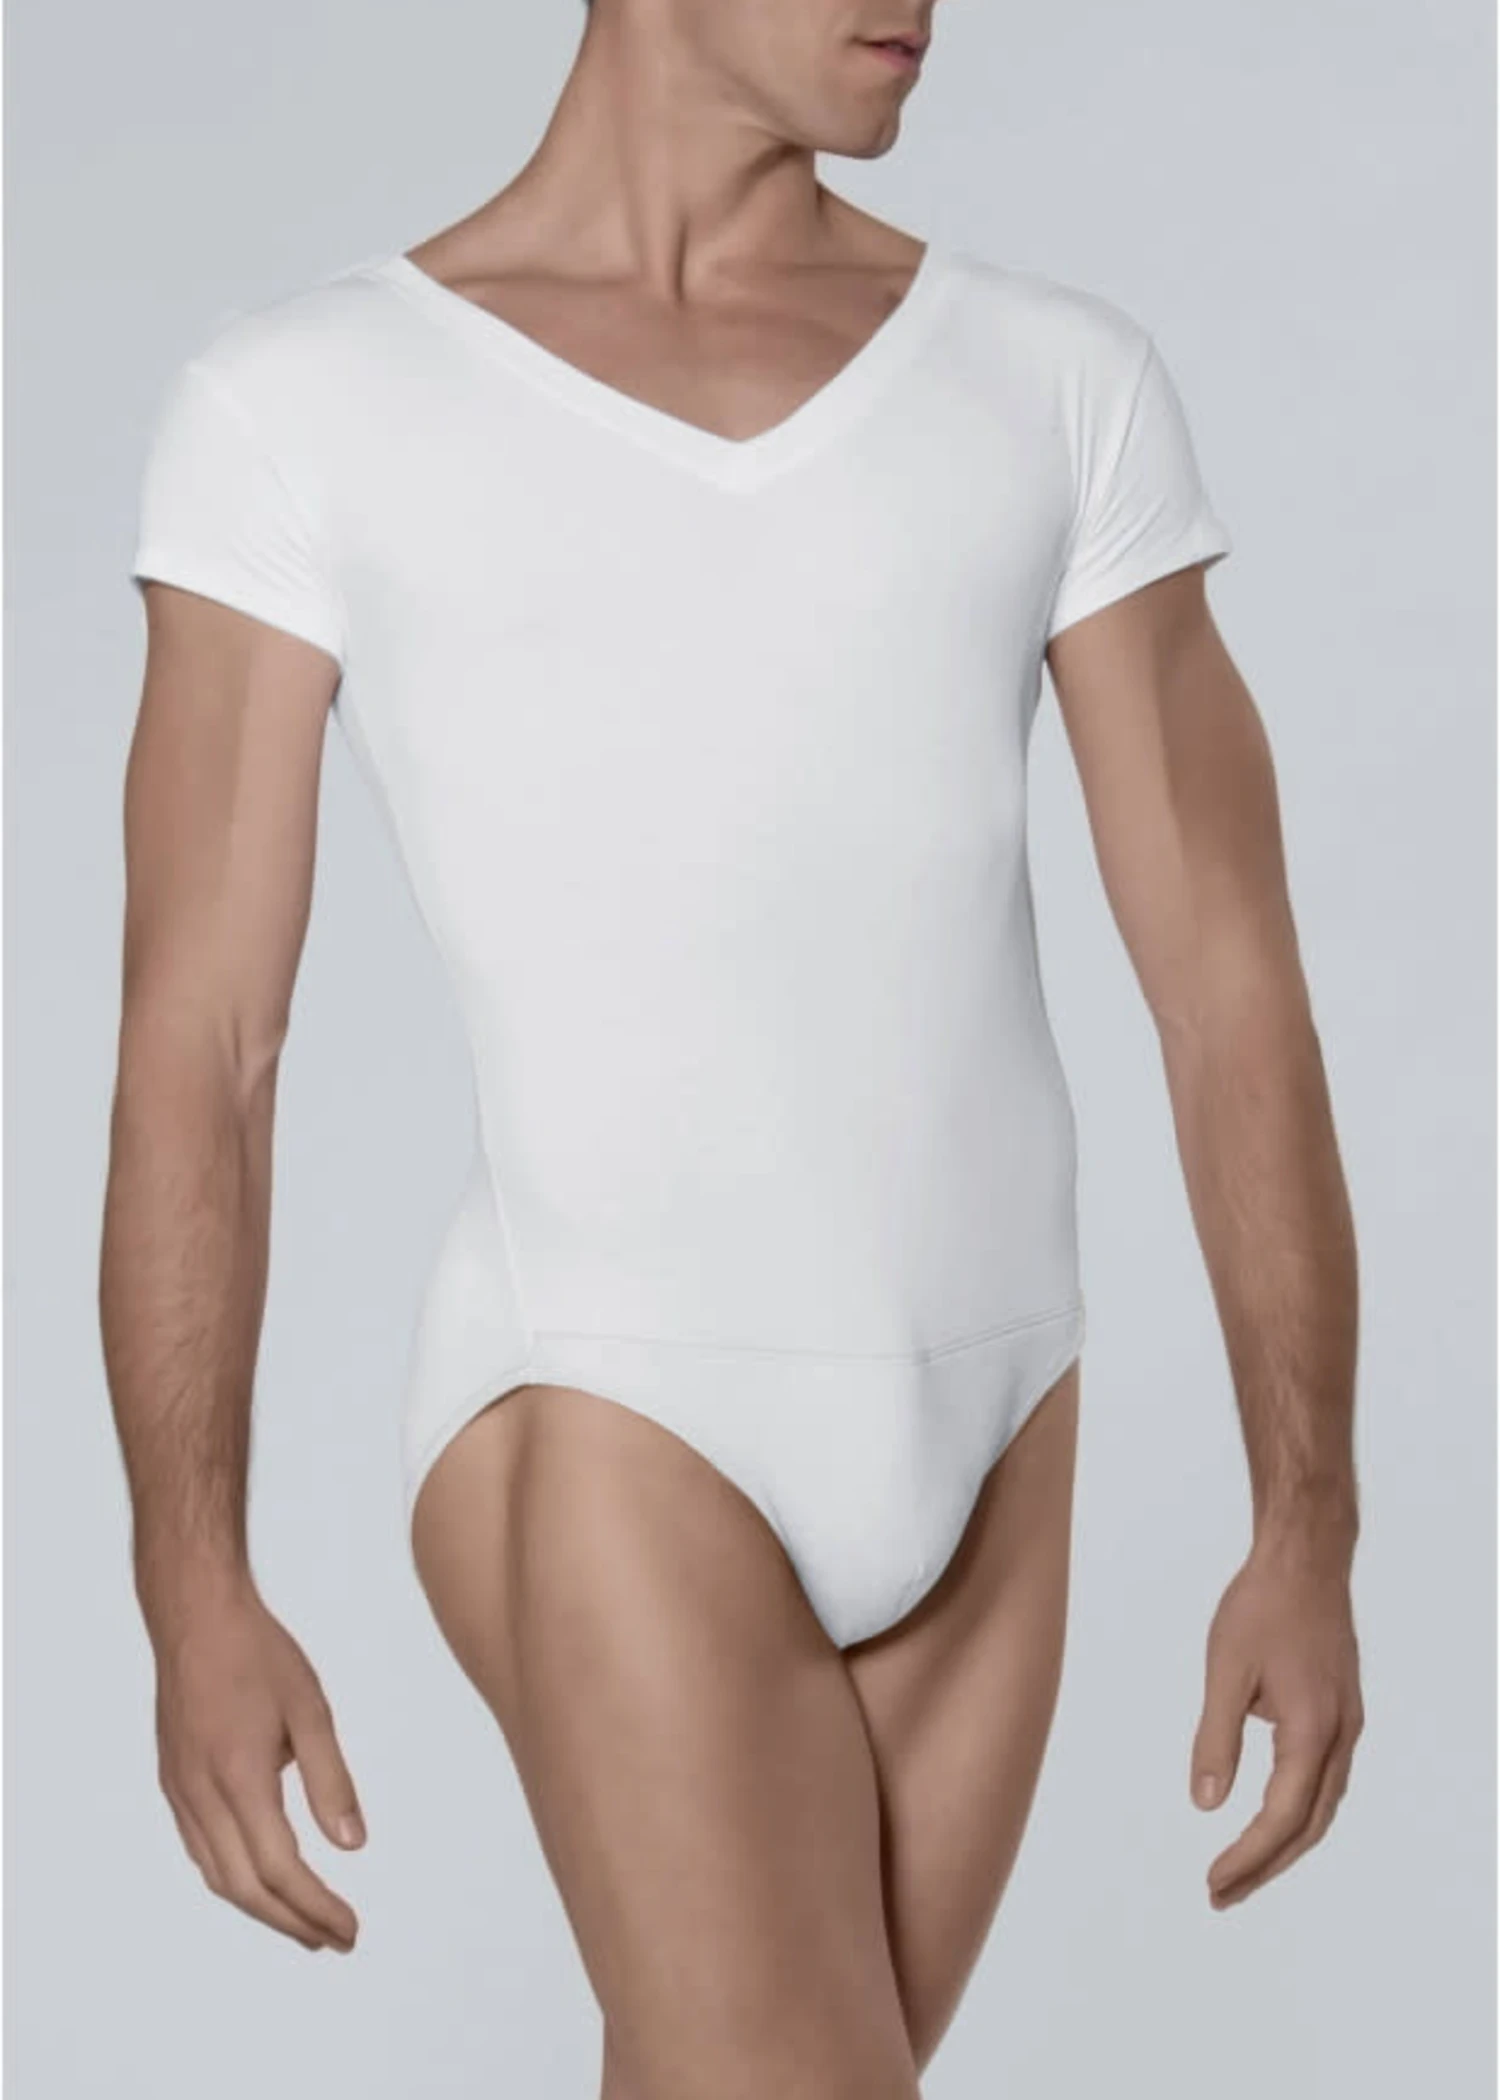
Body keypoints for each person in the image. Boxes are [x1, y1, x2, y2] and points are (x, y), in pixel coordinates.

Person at [99, 0, 1365, 2091]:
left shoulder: (1056, 385)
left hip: (997, 1426)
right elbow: (202, 1048)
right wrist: (190, 1583)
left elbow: (1232, 985)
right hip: (604, 1403)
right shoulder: (304, 408)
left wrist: (1308, 1521)